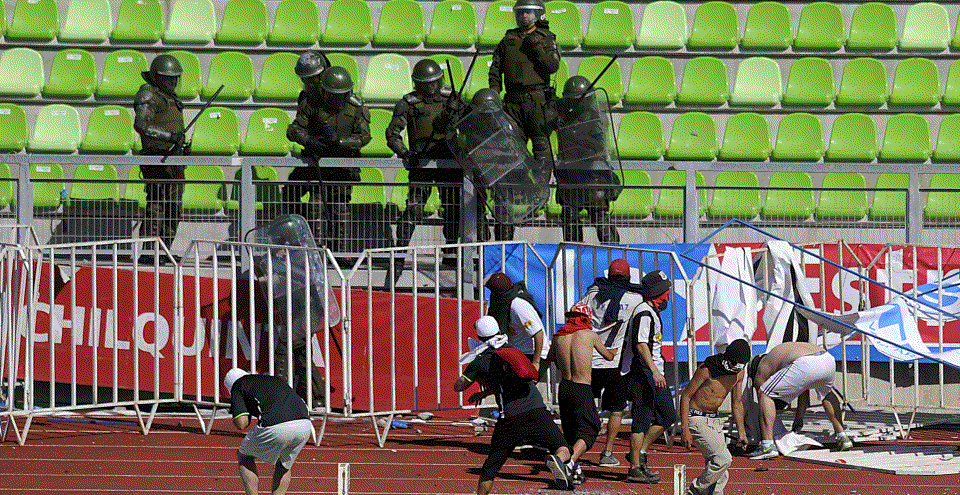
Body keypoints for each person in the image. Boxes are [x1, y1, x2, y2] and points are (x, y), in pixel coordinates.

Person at [455, 316, 575, 493]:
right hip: (536, 410)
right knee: (564, 448)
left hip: (510, 419)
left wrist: (475, 376)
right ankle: (557, 460)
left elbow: (459, 386)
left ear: (479, 338)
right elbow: (511, 382)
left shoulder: (480, 361)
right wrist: (485, 392)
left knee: (489, 470)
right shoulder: (513, 351)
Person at [285, 61, 371, 254]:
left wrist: (340, 142)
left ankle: (341, 254)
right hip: (317, 165)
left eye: (340, 96)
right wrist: (309, 141)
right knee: (316, 206)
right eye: (332, 95)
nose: (336, 100)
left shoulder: (356, 106)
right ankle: (317, 254)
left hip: (343, 168)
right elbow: (294, 129)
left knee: (340, 208)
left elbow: (364, 137)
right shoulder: (311, 103)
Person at [386, 58, 465, 266]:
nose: (432, 87)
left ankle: (450, 252)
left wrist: (459, 110)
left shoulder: (452, 99)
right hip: (421, 163)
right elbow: (392, 135)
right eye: (426, 83)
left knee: (453, 208)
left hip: (449, 163)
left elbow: (472, 126)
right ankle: (400, 251)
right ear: (417, 84)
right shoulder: (408, 103)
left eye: (435, 83)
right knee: (413, 208)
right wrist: (405, 153)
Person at [575, 258, 640, 467]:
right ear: (628, 276)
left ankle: (575, 448)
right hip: (614, 362)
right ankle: (607, 452)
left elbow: (575, 315)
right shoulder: (634, 298)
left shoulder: (592, 293)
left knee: (583, 407)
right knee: (616, 409)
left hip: (588, 359)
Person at [546, 303, 616, 485]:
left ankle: (574, 470)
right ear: (586, 318)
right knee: (590, 429)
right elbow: (608, 356)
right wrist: (615, 351)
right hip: (582, 388)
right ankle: (567, 463)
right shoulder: (589, 335)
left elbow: (551, 358)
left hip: (565, 388)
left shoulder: (558, 337)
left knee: (570, 433)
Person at [747, 341, 853, 460]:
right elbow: (804, 391)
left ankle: (767, 446)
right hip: (827, 359)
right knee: (827, 394)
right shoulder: (777, 355)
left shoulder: (762, 367)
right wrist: (799, 418)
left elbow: (762, 397)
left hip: (805, 362)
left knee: (765, 394)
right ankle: (843, 437)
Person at [489, 0, 561, 171]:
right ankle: (518, 192)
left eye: (528, 12)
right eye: (521, 12)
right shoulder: (508, 39)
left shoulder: (545, 38)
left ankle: (542, 194)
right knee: (512, 150)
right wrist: (494, 92)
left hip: (537, 101)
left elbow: (552, 66)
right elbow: (496, 69)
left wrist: (537, 47)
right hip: (512, 102)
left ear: (537, 15)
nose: (524, 16)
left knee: (541, 148)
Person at [622, 270, 677, 483]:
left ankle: (640, 452)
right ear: (659, 292)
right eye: (667, 289)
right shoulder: (644, 312)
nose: (670, 293)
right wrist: (654, 371)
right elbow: (641, 344)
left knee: (668, 415)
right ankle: (635, 467)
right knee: (641, 420)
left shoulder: (652, 311)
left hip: (654, 372)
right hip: (643, 373)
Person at [551, 75, 621, 244]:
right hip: (570, 178)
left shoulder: (597, 118)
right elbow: (544, 123)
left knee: (600, 218)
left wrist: (572, 131)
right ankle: (573, 256)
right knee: (570, 220)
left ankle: (613, 253)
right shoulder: (563, 116)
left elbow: (596, 146)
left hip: (593, 177)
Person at [133, 54, 189, 265]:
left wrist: (180, 144)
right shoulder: (148, 94)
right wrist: (169, 137)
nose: (172, 82)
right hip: (156, 160)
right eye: (168, 78)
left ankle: (164, 249)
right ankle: (149, 252)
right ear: (157, 78)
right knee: (157, 205)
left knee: (174, 207)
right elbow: (142, 126)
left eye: (175, 78)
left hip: (174, 161)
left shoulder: (172, 98)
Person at [224, 367, 314, 495]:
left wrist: (237, 411)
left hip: (277, 425)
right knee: (284, 464)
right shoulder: (270, 379)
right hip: (305, 423)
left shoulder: (238, 385)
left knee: (244, 456)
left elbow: (242, 423)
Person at [680, 339, 751, 495]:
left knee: (720, 471)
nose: (738, 366)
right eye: (736, 362)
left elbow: (737, 402)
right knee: (723, 459)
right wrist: (685, 428)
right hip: (696, 418)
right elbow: (685, 396)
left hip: (714, 420)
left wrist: (742, 432)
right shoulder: (707, 369)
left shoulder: (739, 372)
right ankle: (695, 490)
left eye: (742, 363)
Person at [485, 272, 545, 372]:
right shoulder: (503, 304)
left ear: (497, 294)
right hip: (519, 352)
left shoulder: (517, 306)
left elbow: (538, 333)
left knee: (520, 387)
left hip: (533, 354)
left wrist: (536, 362)